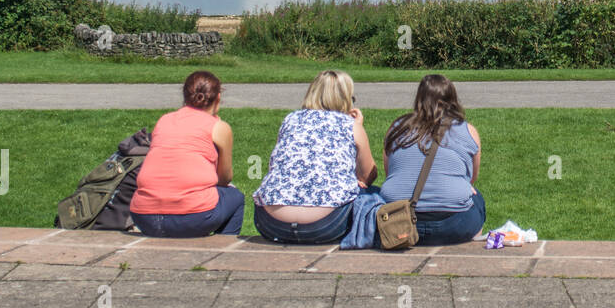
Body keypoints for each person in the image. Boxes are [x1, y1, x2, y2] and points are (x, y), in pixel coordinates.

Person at [252, 70, 378, 244]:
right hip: (326, 225)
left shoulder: (290, 120)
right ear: (346, 98)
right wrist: (358, 128)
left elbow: (276, 165)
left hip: (271, 223)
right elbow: (368, 175)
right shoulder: (350, 125)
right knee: (374, 195)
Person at [130, 71, 243, 237]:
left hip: (144, 216)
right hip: (192, 217)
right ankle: (223, 249)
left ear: (185, 96)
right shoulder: (219, 127)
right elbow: (225, 178)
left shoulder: (164, 120)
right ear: (217, 98)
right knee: (236, 197)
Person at [381, 74, 483, 246]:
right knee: (476, 197)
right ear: (452, 98)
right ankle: (471, 245)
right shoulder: (467, 130)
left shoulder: (397, 128)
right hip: (454, 224)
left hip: (400, 220)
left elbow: (389, 171)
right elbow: (471, 178)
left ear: (419, 98)